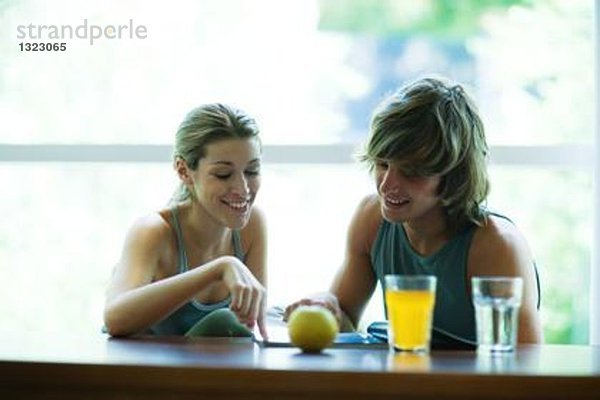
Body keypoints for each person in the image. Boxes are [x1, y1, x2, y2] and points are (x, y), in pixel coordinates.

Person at [284, 77, 543, 345]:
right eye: (383, 164)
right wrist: (327, 305)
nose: (387, 186)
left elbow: (527, 366)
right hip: (407, 381)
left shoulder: (496, 244)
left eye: (410, 172)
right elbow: (345, 323)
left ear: (454, 173)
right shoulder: (371, 220)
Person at [104, 103, 268, 339]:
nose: (242, 189)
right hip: (146, 372)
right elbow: (114, 320)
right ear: (183, 171)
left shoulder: (253, 224)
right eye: (223, 174)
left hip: (214, 372)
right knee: (224, 321)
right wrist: (218, 269)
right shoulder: (154, 231)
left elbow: (251, 324)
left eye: (252, 171)